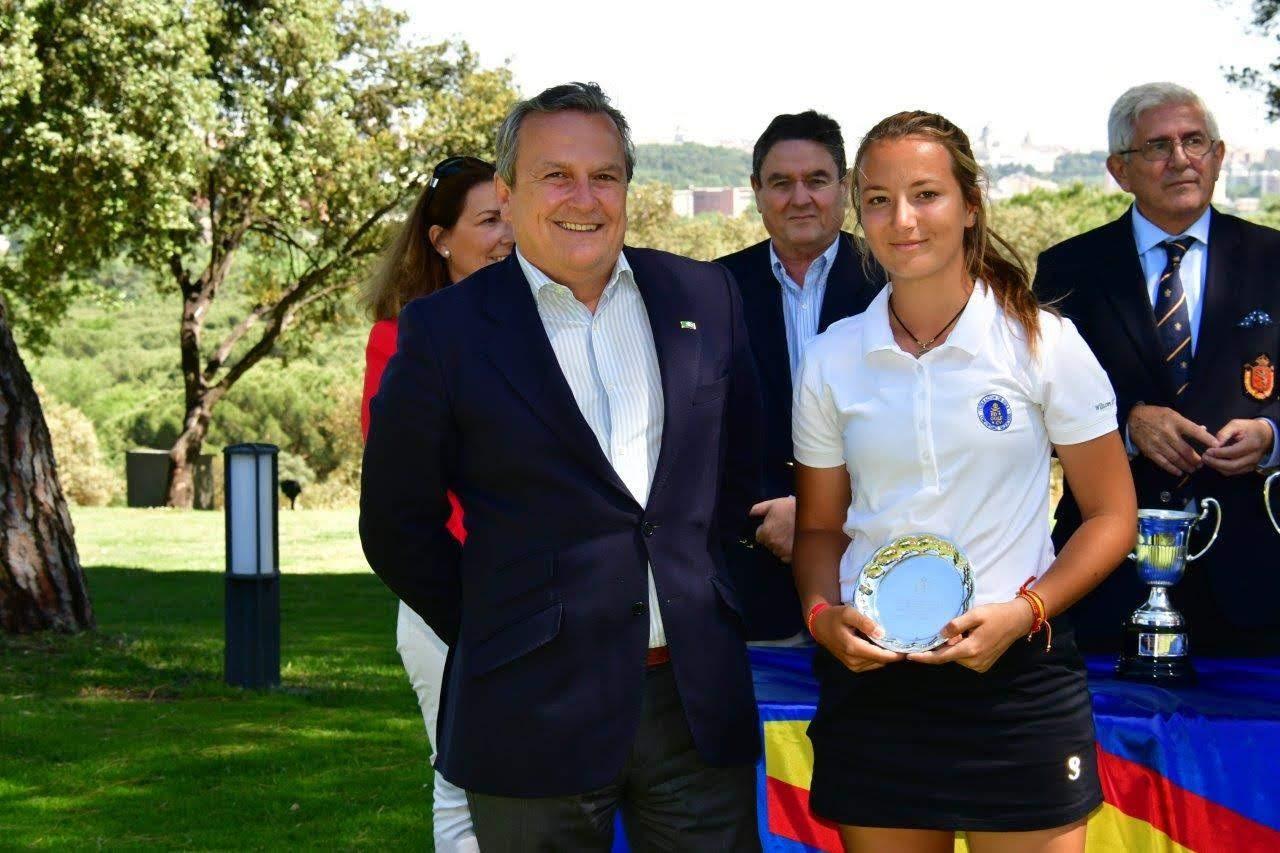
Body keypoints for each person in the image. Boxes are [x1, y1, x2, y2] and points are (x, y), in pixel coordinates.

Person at [360, 82, 765, 851]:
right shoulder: (444, 330)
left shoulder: (705, 297)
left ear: (626, 188)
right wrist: (499, 628)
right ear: (509, 195)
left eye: (604, 175)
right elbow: (394, 521)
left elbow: (736, 477)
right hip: (529, 708)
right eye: (556, 175)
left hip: (693, 702)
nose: (584, 197)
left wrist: (707, 601)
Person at [793, 111, 1136, 852]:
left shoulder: (1045, 343)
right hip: (876, 683)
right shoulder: (830, 358)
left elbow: (1112, 514)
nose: (902, 219)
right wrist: (824, 617)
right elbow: (820, 528)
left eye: (926, 194)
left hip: (1019, 679)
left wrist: (1026, 610)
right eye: (878, 200)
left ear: (970, 203)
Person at [1034, 82, 1280, 655]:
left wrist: (1271, 437)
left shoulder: (1274, 259)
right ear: (1120, 170)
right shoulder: (1070, 268)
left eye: (1195, 142)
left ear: (1218, 157)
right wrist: (1125, 425)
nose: (1181, 160)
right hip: (1105, 575)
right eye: (1158, 147)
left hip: (1254, 578)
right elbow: (1031, 410)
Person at [359, 154, 512, 853]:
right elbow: (404, 490)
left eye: (511, 214)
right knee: (463, 785)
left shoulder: (548, 326)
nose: (507, 232)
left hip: (545, 590)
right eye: (488, 220)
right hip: (452, 593)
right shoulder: (402, 339)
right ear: (441, 238)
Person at [716, 110, 884, 642]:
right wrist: (773, 513)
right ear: (756, 191)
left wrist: (814, 515)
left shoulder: (894, 284)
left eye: (816, 180)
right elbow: (699, 432)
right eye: (780, 183)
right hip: (749, 568)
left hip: (876, 567)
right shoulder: (712, 289)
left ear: (845, 187)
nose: (800, 198)